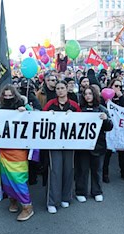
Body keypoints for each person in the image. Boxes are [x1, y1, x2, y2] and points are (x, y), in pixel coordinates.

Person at [0, 85, 34, 221]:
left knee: (18, 178)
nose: (7, 98)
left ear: (15, 95)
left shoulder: (23, 104)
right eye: (5, 96)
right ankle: (12, 200)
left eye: (10, 96)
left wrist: (26, 111)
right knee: (6, 178)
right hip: (4, 149)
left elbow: (36, 114)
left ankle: (27, 206)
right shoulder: (0, 108)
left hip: (18, 149)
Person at [43, 80, 81, 214]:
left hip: (70, 143)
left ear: (67, 90)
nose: (60, 90)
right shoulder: (50, 105)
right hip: (53, 143)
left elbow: (83, 123)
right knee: (55, 171)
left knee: (68, 170)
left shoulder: (74, 105)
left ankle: (66, 197)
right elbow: (41, 120)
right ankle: (52, 201)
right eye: (58, 88)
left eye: (62, 88)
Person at [75, 86, 113, 203]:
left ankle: (97, 191)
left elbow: (110, 127)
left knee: (97, 170)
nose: (88, 96)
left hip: (98, 145)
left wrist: (106, 119)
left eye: (90, 94)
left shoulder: (101, 109)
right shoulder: (79, 109)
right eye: (85, 94)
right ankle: (81, 191)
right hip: (82, 146)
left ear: (94, 95)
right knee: (82, 169)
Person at [102, 79, 124, 183]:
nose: (118, 88)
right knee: (108, 152)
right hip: (109, 128)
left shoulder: (122, 98)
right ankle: (105, 173)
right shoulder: (106, 98)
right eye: (116, 86)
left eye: (120, 86)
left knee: (122, 152)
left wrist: (121, 96)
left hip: (120, 129)